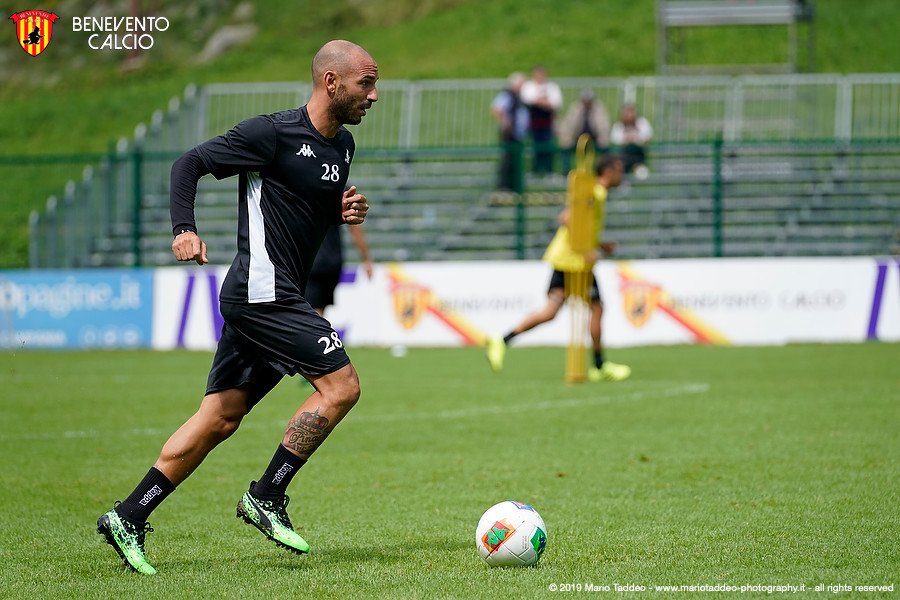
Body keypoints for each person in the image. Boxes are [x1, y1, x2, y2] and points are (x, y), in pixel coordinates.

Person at [96, 39, 379, 576]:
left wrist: (343, 207)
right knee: (342, 386)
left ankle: (128, 516)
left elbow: (304, 204)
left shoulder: (342, 146)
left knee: (219, 418)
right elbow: (190, 163)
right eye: (366, 83)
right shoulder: (269, 133)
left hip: (277, 296)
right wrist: (184, 229)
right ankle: (267, 495)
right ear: (331, 82)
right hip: (261, 292)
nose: (374, 95)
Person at [486, 153, 632, 383]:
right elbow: (568, 219)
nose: (622, 175)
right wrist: (586, 251)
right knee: (596, 308)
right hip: (574, 261)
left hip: (566, 258)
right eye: (620, 170)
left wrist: (600, 245)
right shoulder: (596, 192)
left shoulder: (592, 191)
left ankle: (502, 340)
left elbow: (580, 224)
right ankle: (599, 365)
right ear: (609, 171)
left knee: (551, 311)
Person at [307, 222, 373, 317]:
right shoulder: (336, 206)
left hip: (313, 262)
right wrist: (366, 258)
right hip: (334, 261)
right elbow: (354, 226)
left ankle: (315, 330)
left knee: (312, 309)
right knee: (320, 309)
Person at [520, 64, 563, 176]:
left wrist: (541, 102)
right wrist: (543, 102)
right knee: (534, 147)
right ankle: (535, 170)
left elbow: (556, 103)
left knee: (548, 146)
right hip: (533, 122)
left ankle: (549, 171)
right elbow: (528, 99)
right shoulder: (529, 86)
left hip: (547, 122)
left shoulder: (552, 87)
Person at [490, 72, 530, 192]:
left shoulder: (518, 97)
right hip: (510, 133)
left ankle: (513, 186)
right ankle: (504, 187)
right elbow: (496, 108)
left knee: (515, 161)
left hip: (517, 133)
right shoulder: (508, 95)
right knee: (508, 160)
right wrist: (506, 123)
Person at [557, 89, 611, 173]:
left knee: (605, 150)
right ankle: (566, 173)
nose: (587, 102)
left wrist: (603, 138)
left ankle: (601, 173)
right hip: (577, 138)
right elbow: (570, 125)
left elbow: (603, 126)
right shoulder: (575, 108)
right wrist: (567, 138)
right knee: (565, 148)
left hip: (594, 139)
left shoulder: (599, 108)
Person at [610, 103, 653, 178]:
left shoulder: (642, 123)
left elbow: (647, 138)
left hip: (639, 155)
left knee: (642, 176)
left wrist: (636, 138)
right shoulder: (618, 126)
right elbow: (615, 141)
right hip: (623, 156)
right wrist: (626, 140)